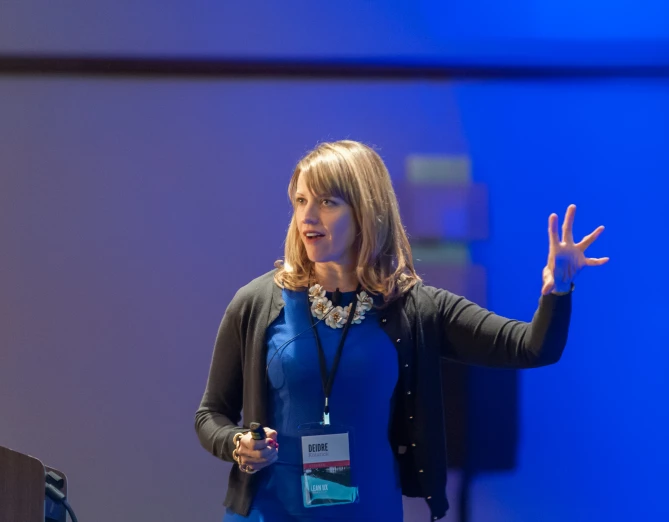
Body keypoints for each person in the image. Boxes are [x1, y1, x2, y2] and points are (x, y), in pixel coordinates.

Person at [194, 140, 608, 522]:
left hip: (368, 510)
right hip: (269, 511)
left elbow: (532, 348)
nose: (307, 216)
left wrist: (559, 290)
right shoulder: (257, 301)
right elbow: (211, 414)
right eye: (300, 201)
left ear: (365, 212)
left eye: (326, 201)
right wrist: (237, 444)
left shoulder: (413, 306)